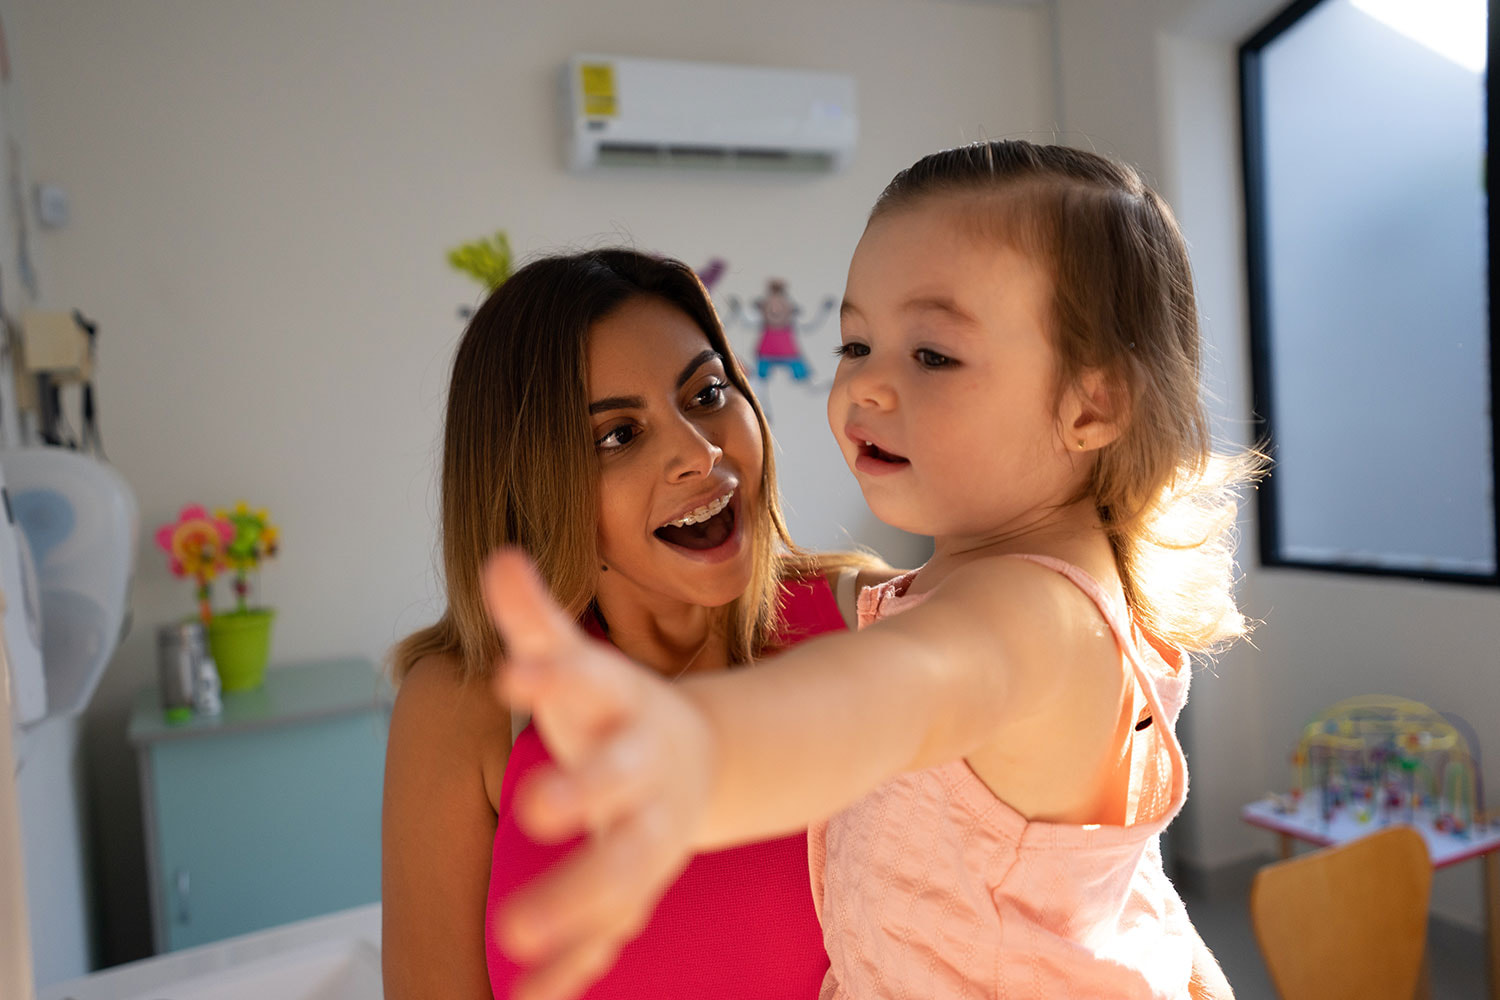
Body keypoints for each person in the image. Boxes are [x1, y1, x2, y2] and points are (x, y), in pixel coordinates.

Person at [484, 140, 1257, 999]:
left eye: (931, 355)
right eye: (856, 344)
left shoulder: (1030, 613)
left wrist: (705, 750)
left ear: (1092, 404)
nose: (867, 389)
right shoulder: (1027, 594)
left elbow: (893, 691)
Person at [381, 248, 891, 1000]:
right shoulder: (465, 704)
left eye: (708, 392)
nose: (699, 451)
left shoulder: (873, 621)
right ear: (534, 486)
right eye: (618, 435)